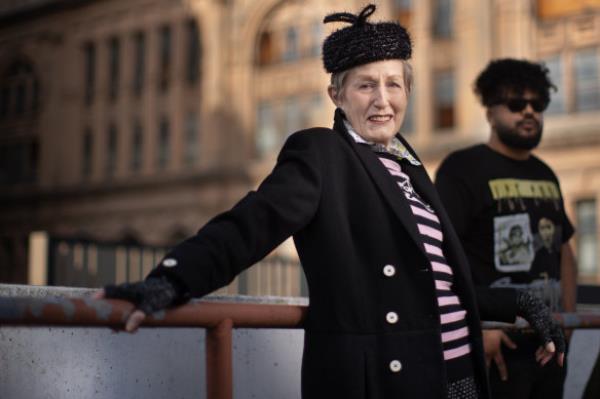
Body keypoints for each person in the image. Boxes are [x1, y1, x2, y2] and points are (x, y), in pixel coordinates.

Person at [96, 7, 564, 399]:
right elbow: (251, 225)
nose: (383, 100)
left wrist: (518, 301)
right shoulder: (322, 153)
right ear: (336, 95)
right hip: (388, 383)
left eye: (394, 84)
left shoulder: (411, 168)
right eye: (366, 86)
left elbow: (439, 285)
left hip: (459, 381)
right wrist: (172, 279)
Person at [435, 58, 577, 399]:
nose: (528, 111)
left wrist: (567, 325)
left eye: (537, 104)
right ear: (490, 112)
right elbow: (444, 257)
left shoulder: (545, 173)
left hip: (547, 347)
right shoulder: (461, 168)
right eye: (516, 103)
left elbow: (564, 250)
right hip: (493, 344)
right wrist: (480, 326)